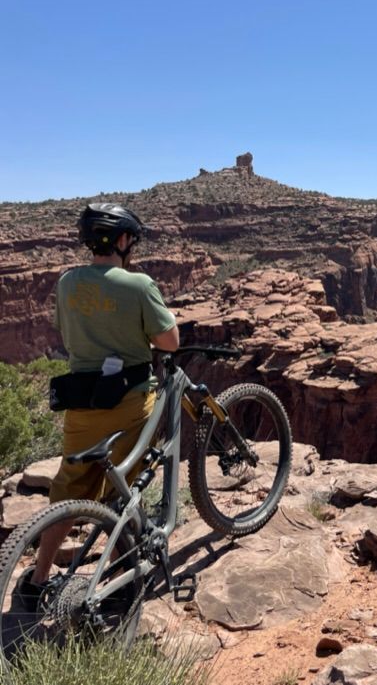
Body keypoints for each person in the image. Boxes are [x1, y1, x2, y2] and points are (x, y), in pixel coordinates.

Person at [15, 203, 179, 606]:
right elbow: (169, 343)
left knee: (69, 491)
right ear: (122, 240)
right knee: (126, 488)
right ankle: (125, 577)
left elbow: (65, 328)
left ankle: (37, 581)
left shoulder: (68, 282)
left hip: (81, 405)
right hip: (131, 401)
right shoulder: (138, 285)